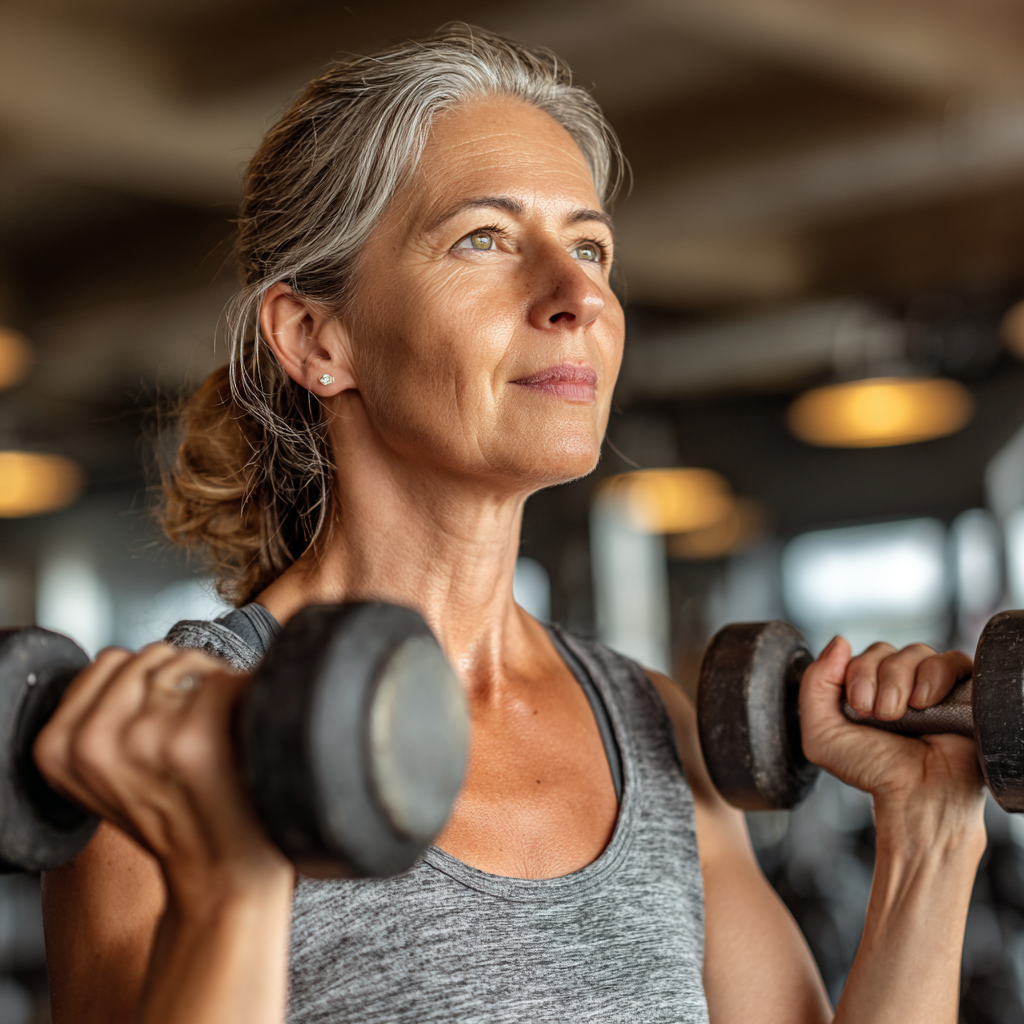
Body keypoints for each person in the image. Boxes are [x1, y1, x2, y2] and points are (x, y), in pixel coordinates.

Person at [34, 25, 985, 1024]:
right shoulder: (166, 750)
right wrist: (231, 870)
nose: (578, 294)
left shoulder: (649, 726)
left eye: (589, 247)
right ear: (318, 337)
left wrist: (928, 834)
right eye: (483, 238)